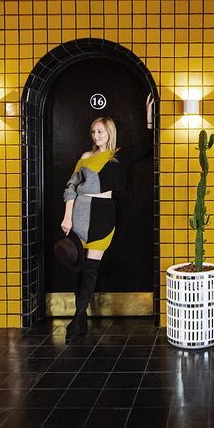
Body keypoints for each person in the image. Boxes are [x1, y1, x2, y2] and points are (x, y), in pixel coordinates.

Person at [60, 94, 154, 343]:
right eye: (93, 132)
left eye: (100, 132)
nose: (96, 136)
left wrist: (148, 118)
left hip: (103, 213)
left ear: (109, 132)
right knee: (77, 269)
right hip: (79, 212)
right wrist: (67, 217)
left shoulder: (119, 155)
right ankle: (79, 320)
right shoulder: (85, 157)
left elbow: (148, 145)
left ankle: (77, 320)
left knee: (91, 269)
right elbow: (71, 187)